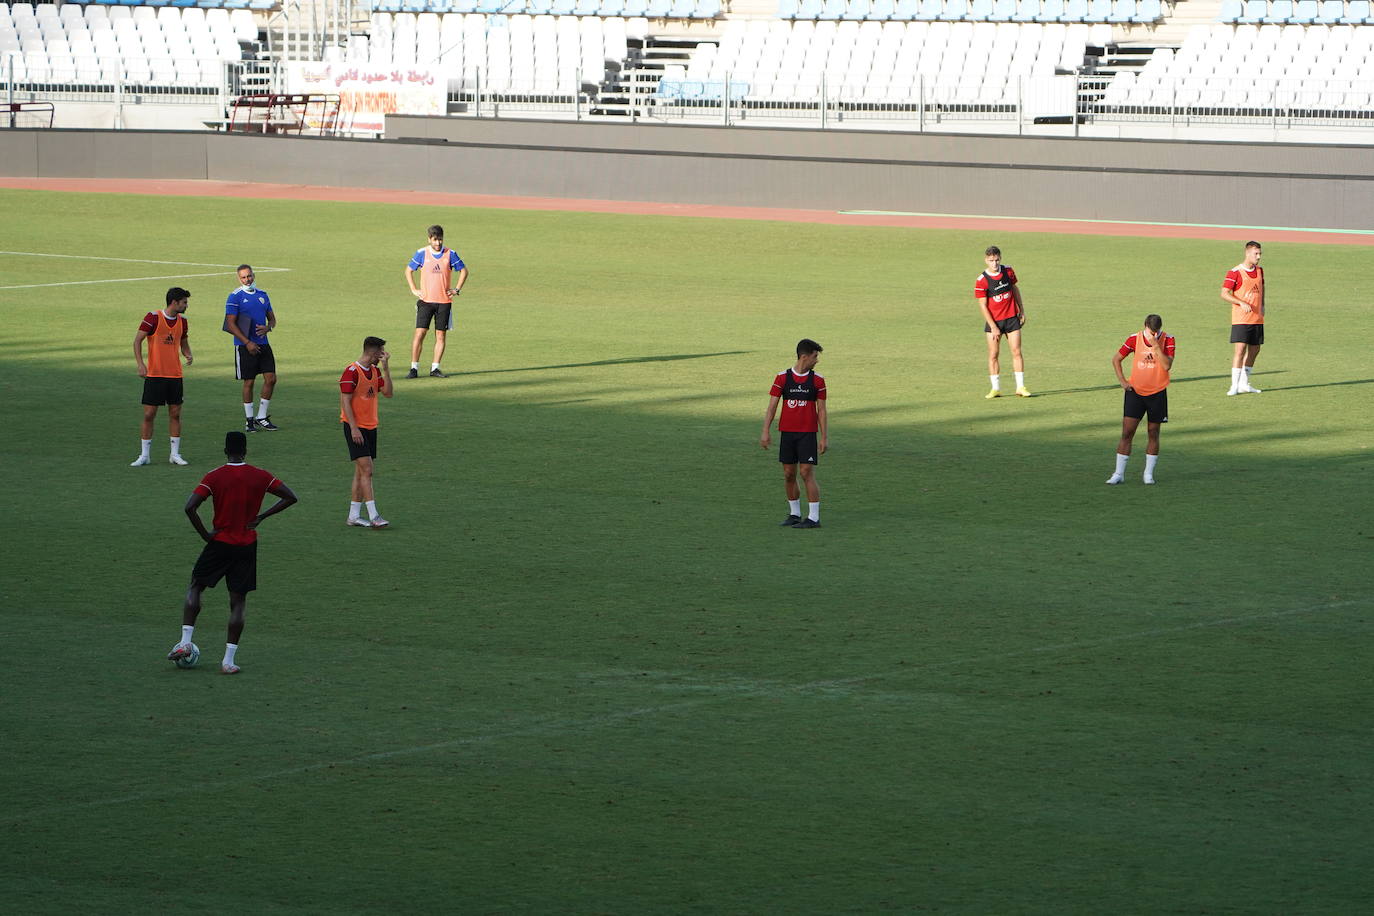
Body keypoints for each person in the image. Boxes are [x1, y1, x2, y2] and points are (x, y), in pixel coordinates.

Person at [167, 430, 297, 674]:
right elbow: (290, 497)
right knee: (238, 601)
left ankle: (185, 642)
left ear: (225, 451)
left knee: (196, 586)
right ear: (245, 450)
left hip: (220, 543)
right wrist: (262, 516)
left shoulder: (215, 476)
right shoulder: (260, 476)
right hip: (247, 545)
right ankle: (228, 661)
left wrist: (206, 535)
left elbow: (190, 507)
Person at [760, 339, 828, 529]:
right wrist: (765, 431)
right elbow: (772, 406)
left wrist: (823, 437)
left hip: (807, 434)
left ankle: (814, 518)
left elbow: (821, 410)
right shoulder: (782, 378)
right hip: (788, 434)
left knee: (806, 472)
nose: (817, 361)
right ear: (804, 357)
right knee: (789, 473)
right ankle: (794, 514)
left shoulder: (818, 380)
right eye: (815, 357)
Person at [1107, 314, 1175, 486]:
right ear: (1145, 325)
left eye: (1156, 331)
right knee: (1127, 433)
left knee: (1153, 433)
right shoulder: (1133, 339)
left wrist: (1156, 346)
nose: (1153, 334)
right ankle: (1118, 473)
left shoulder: (1168, 340)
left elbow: (1167, 365)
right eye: (1151, 331)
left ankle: (1148, 474)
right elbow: (1116, 359)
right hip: (1135, 393)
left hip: (1157, 393)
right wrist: (1123, 381)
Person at [132, 287, 193, 467]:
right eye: (184, 302)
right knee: (149, 414)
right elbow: (137, 341)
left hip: (175, 375)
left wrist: (188, 353)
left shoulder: (183, 322)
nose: (186, 305)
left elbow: (183, 341)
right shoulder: (153, 318)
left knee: (175, 414)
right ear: (174, 302)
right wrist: (141, 364)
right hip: (155, 374)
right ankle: (144, 455)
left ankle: (174, 454)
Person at [340, 336, 394, 528]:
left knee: (360, 472)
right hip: (356, 428)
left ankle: (353, 516)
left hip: (371, 427)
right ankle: (374, 516)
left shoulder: (375, 371)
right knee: (368, 471)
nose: (382, 356)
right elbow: (345, 401)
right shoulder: (351, 372)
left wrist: (386, 368)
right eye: (380, 353)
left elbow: (388, 393)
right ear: (372, 353)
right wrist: (354, 428)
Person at [402, 224, 468, 379]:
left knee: (440, 336)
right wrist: (413, 289)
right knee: (420, 333)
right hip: (426, 301)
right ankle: (414, 368)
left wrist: (456, 289)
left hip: (444, 302)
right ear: (429, 239)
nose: (438, 243)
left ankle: (435, 368)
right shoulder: (421, 253)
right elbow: (408, 270)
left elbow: (464, 271)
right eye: (435, 240)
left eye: (440, 240)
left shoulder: (450, 254)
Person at [224, 264, 279, 432]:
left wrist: (268, 328)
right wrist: (247, 342)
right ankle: (249, 420)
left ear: (253, 275)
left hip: (263, 343)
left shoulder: (263, 295)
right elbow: (230, 324)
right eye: (243, 277)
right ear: (238, 278)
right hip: (244, 346)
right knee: (249, 381)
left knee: (271, 379)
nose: (247, 280)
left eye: (249, 276)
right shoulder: (235, 297)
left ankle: (261, 417)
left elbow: (272, 320)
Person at [975, 245, 1031, 398]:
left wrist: (1021, 310)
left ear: (1000, 258)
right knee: (994, 354)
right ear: (986, 260)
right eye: (991, 261)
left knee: (1017, 351)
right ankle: (995, 388)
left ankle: (1020, 387)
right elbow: (983, 305)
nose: (995, 264)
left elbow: (1014, 289)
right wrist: (993, 326)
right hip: (995, 322)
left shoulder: (1008, 271)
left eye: (997, 260)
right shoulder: (982, 280)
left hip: (1012, 318)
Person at [1220, 240, 1264, 396]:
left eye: (1260, 253)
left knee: (1255, 349)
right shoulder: (1235, 272)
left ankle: (1244, 383)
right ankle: (1234, 386)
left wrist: (1263, 307)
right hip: (1241, 318)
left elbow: (1261, 289)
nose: (1258, 257)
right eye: (1256, 253)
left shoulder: (1260, 271)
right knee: (1240, 351)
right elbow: (1224, 293)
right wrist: (1240, 302)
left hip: (1257, 318)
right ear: (1247, 253)